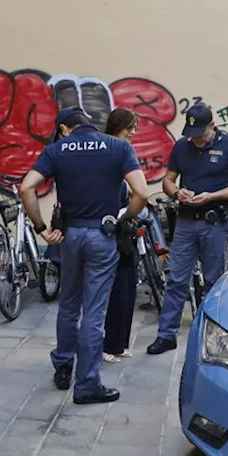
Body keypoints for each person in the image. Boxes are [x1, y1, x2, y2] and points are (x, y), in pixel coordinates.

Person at [20, 107, 149, 404]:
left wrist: (41, 227)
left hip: (69, 236)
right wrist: (122, 217)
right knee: (94, 311)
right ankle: (87, 384)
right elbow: (140, 193)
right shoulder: (118, 147)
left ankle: (63, 365)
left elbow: (26, 187)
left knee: (68, 304)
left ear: (66, 128)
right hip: (103, 235)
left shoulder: (58, 150)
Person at [146, 102, 228, 355]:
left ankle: (209, 336)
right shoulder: (182, 146)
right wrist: (177, 192)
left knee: (213, 282)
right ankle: (166, 334)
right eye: (191, 135)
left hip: (215, 223)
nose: (195, 140)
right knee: (176, 279)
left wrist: (212, 196)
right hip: (186, 222)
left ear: (212, 126)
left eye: (200, 134)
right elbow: (168, 180)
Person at [101, 108, 141, 363]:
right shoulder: (111, 152)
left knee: (127, 288)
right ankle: (110, 345)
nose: (134, 133)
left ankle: (120, 343)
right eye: (130, 128)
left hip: (123, 232)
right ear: (117, 126)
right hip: (110, 231)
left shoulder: (122, 151)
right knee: (115, 291)